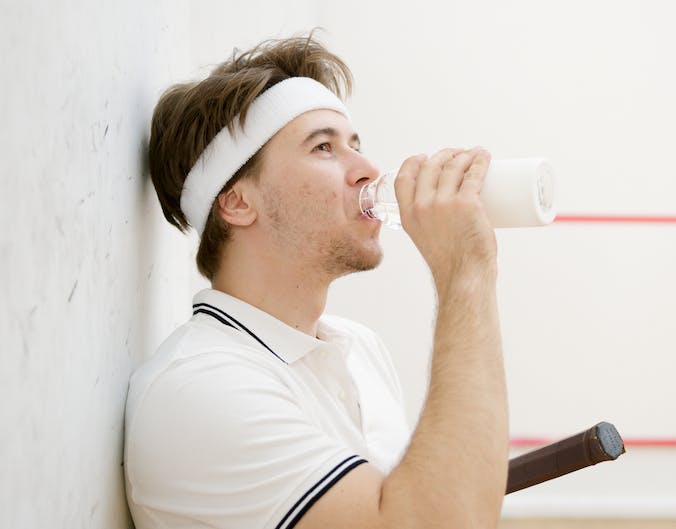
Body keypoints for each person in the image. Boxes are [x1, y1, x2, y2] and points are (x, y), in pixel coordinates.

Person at [124, 34, 507, 529]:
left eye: (356, 145)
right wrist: (465, 273)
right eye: (324, 147)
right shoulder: (199, 389)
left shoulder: (360, 347)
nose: (367, 169)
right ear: (237, 202)